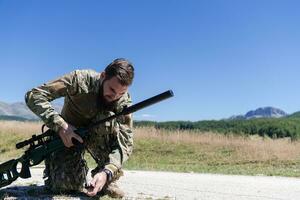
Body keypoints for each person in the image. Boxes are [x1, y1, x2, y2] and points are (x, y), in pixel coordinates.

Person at [25, 58, 134, 198]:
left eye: (120, 93)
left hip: (100, 138)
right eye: (112, 90)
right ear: (103, 76)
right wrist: (61, 126)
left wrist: (108, 172)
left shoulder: (123, 100)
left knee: (107, 121)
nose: (114, 97)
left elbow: (126, 142)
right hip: (67, 138)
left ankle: (105, 179)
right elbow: (34, 95)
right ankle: (74, 174)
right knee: (64, 186)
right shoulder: (79, 79)